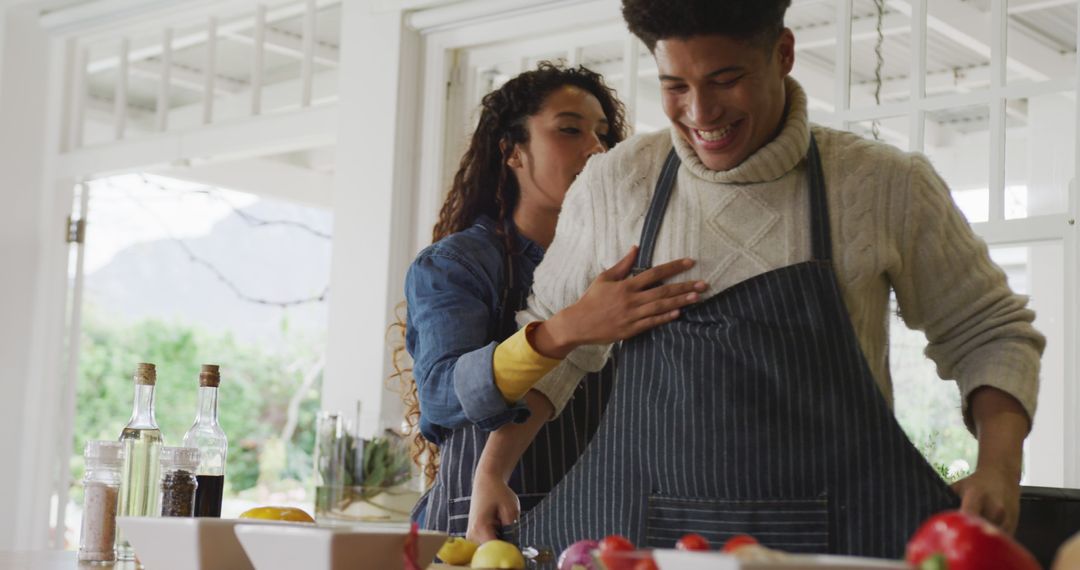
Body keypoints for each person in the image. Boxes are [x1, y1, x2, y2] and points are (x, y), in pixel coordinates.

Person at [466, 0, 1045, 558]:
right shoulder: (615, 183)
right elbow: (558, 350)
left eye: (725, 79)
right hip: (646, 541)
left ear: (784, 53)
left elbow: (988, 332)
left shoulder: (885, 183)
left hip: (839, 540)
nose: (701, 112)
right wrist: (492, 470)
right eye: (676, 87)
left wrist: (999, 467)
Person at [401, 62, 707, 535]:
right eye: (569, 130)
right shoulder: (457, 264)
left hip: (602, 522)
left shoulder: (624, 261)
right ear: (512, 152)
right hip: (483, 527)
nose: (595, 149)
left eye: (603, 135)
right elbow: (442, 396)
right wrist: (568, 328)